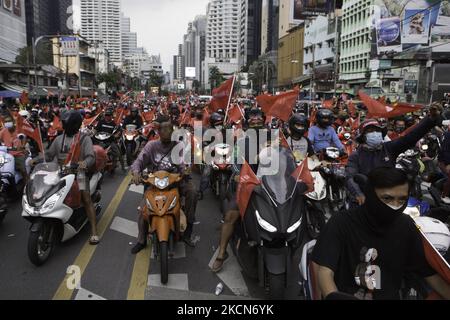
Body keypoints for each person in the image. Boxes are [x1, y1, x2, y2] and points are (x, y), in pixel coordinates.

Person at [312, 167, 450, 300]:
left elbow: (427, 272)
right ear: (371, 194)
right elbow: (325, 271)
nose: (395, 205)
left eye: (401, 199)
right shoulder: (341, 222)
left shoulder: (405, 225)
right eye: (387, 199)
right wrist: (333, 295)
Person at [346, 104, 442, 207]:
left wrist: (430, 119)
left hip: (390, 198)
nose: (375, 133)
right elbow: (350, 177)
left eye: (377, 130)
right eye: (370, 131)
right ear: (363, 137)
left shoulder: (389, 148)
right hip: (365, 201)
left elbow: (411, 137)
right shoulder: (356, 156)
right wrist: (358, 194)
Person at [130, 115, 198, 253]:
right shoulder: (151, 146)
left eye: (170, 128)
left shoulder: (178, 146)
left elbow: (184, 163)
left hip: (175, 182)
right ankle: (141, 240)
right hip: (154, 184)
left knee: (192, 192)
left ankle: (188, 231)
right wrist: (136, 173)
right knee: (143, 209)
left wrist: (185, 170)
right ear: (158, 131)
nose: (167, 132)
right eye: (164, 129)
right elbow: (138, 162)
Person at [31, 110, 100, 245]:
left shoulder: (83, 138)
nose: (63, 125)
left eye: (65, 122)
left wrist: (83, 164)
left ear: (73, 124)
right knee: (45, 192)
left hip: (79, 173)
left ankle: (94, 231)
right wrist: (35, 160)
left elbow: (90, 157)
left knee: (86, 198)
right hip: (59, 172)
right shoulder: (58, 139)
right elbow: (49, 155)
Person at [198, 112, 225, 200]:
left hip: (224, 155)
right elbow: (204, 143)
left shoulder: (225, 130)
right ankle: (200, 192)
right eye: (217, 124)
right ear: (213, 123)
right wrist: (208, 147)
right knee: (207, 172)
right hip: (212, 155)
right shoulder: (207, 131)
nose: (219, 125)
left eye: (221, 123)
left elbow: (231, 141)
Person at [0, 118, 29, 183]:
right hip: (7, 154)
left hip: (18, 154)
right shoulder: (3, 131)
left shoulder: (18, 130)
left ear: (13, 122)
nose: (7, 123)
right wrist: (2, 144)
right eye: (6, 121)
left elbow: (24, 137)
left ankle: (27, 183)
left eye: (9, 121)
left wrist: (23, 145)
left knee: (22, 170)